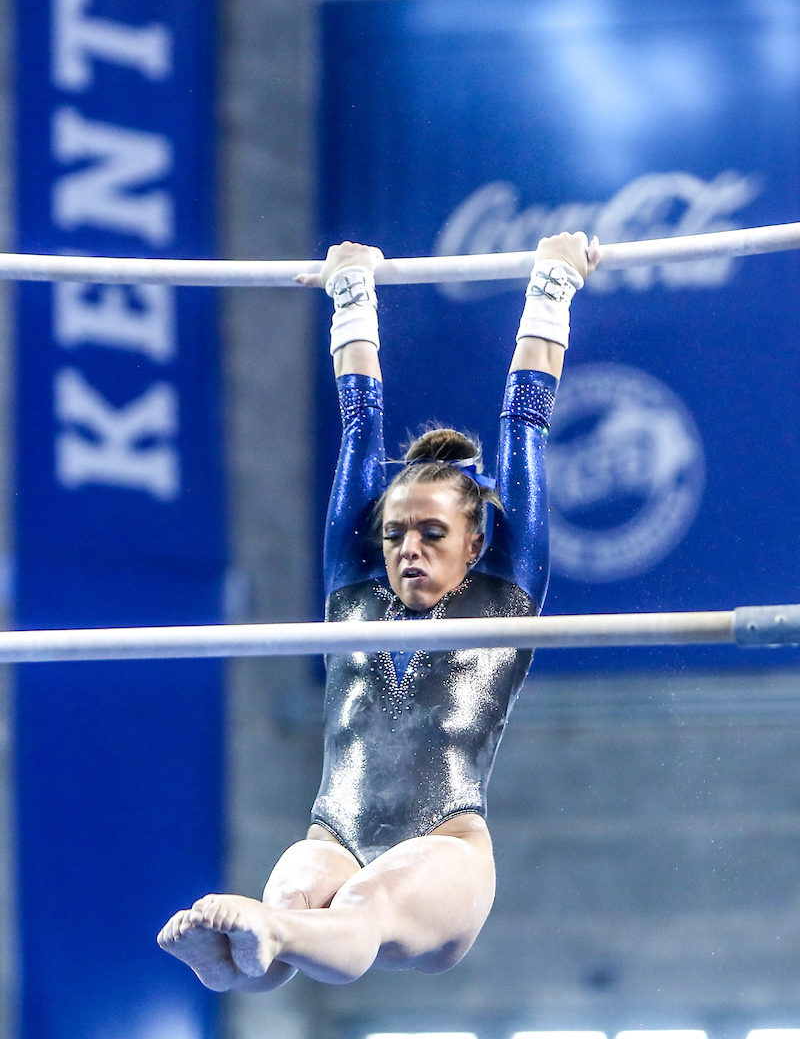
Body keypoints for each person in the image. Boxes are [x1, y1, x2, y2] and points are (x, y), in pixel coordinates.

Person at [157, 229, 600, 991]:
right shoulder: (351, 594)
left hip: (448, 852)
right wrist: (350, 289)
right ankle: (243, 961)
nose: (408, 550)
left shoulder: (505, 598)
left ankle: (266, 939)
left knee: (361, 904)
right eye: (394, 534)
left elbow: (525, 422)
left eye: (433, 534)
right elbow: (359, 427)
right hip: (335, 832)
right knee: (295, 891)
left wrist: (553, 282)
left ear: (476, 544)